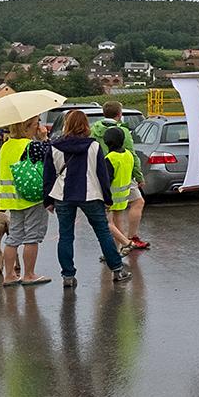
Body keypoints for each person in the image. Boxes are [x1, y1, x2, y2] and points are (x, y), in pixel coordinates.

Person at [45, 110, 130, 288]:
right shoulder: (94, 147)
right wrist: (108, 199)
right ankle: (117, 269)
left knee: (66, 236)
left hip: (63, 195)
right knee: (102, 233)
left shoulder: (54, 147)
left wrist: (48, 200)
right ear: (86, 125)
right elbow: (102, 175)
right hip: (91, 194)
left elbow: (49, 176)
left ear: (66, 125)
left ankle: (68, 276)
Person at [0, 118, 52, 287]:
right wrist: (43, 139)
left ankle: (10, 275)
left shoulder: (6, 145)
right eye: (36, 123)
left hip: (11, 198)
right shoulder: (31, 145)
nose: (39, 126)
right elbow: (50, 157)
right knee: (32, 236)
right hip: (30, 196)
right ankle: (29, 274)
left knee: (13, 237)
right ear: (27, 126)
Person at [92, 100, 149, 251]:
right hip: (122, 174)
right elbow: (132, 153)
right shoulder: (122, 132)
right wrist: (139, 176)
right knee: (136, 203)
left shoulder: (94, 130)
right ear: (119, 114)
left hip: (101, 176)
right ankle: (129, 239)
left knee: (112, 216)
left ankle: (114, 249)